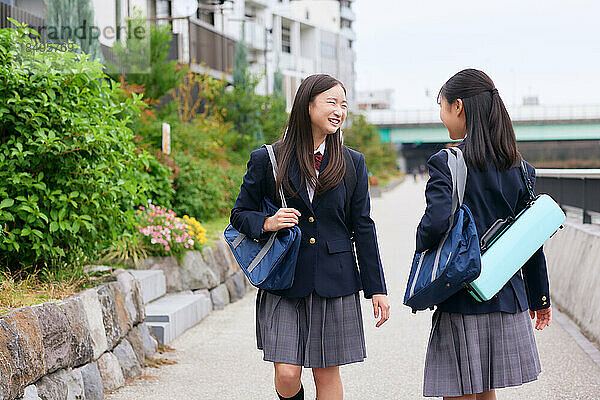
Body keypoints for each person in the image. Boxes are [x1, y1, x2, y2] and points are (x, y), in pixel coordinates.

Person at [230, 74, 390, 400]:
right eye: (332, 102)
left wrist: (377, 289)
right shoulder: (268, 159)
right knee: (287, 374)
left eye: (343, 105)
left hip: (336, 279)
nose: (339, 111)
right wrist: (268, 222)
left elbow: (363, 226)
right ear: (308, 104)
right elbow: (240, 214)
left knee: (327, 372)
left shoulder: (352, 162)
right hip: (285, 279)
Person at [416, 69, 552, 400]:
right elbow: (529, 240)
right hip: (506, 295)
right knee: (486, 389)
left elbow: (434, 225)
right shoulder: (520, 167)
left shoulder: (447, 162)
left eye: (442, 105)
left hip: (462, 294)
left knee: (459, 390)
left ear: (458, 106)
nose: (441, 114)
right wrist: (540, 298)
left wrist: (421, 241)